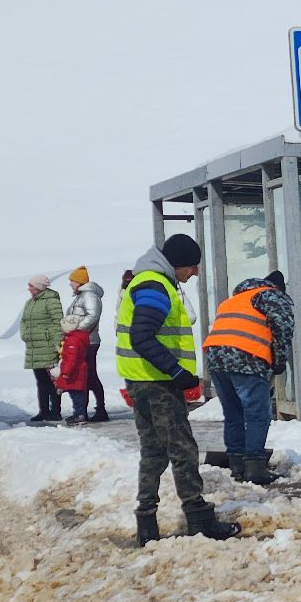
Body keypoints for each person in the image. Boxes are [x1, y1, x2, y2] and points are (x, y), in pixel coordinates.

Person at [116, 233, 241, 545]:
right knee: (182, 449)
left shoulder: (149, 282)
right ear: (179, 263)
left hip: (143, 381)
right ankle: (199, 518)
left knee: (154, 450)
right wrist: (176, 371)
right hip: (157, 383)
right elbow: (142, 337)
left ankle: (147, 521)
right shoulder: (154, 286)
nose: (195, 273)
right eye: (193, 266)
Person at [204, 271, 295, 484]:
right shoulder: (272, 295)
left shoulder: (235, 299)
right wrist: (280, 360)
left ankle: (236, 463)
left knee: (233, 412)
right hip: (246, 357)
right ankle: (254, 466)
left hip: (216, 359)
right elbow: (283, 328)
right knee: (257, 414)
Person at [62, 266, 107, 423]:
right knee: (85, 377)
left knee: (90, 376)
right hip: (81, 340)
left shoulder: (89, 296)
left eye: (72, 281)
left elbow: (93, 315)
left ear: (79, 282)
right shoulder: (80, 296)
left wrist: (77, 330)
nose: (70, 284)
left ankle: (100, 410)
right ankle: (82, 412)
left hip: (89, 341)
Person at [20, 274, 64, 422]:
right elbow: (24, 321)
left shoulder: (51, 301)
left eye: (31, 286)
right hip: (34, 347)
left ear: (39, 287)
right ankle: (43, 411)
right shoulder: (30, 302)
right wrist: (25, 334)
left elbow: (58, 322)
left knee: (52, 380)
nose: (29, 289)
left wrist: (56, 344)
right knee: (41, 381)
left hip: (48, 346)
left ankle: (55, 411)